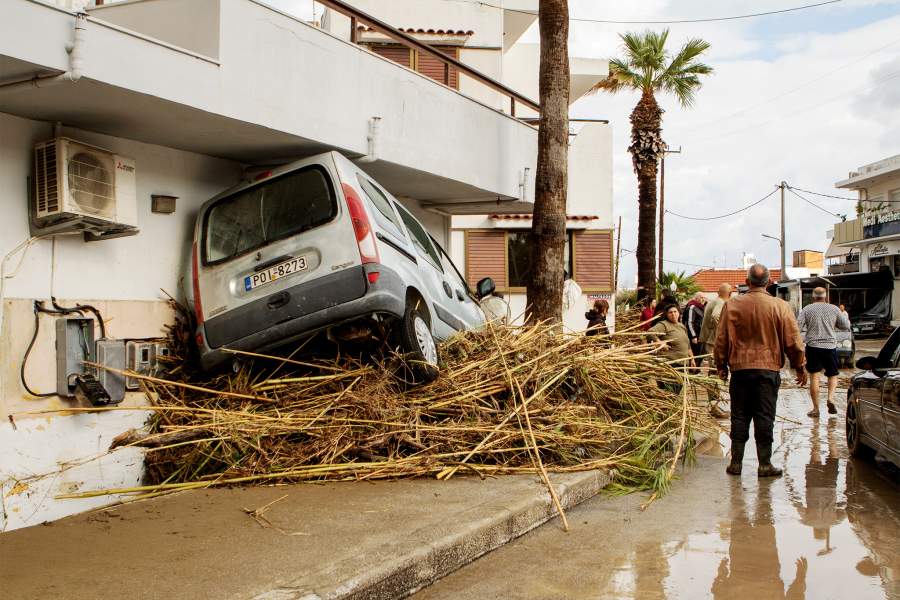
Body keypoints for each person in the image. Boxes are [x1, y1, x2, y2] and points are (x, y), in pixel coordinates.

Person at [715, 264, 806, 477]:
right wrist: (799, 366)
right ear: (768, 283)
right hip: (767, 371)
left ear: (747, 282)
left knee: (739, 416)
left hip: (740, 370)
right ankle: (764, 464)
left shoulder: (732, 305)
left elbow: (721, 339)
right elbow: (793, 341)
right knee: (765, 416)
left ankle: (735, 463)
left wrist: (721, 366)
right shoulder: (780, 306)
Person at [796, 287, 851, 418]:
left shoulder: (807, 309)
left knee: (814, 377)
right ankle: (831, 398)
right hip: (830, 346)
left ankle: (815, 409)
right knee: (832, 375)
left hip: (813, 346)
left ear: (813, 297)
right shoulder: (834, 309)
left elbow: (797, 327)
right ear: (825, 297)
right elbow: (845, 326)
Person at [699, 283, 732, 418]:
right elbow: (716, 316)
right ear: (729, 294)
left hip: (710, 341)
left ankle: (714, 406)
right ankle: (714, 407)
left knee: (713, 374)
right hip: (713, 343)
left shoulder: (713, 301)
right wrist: (723, 330)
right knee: (714, 374)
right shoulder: (721, 303)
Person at [649, 304, 693, 393]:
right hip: (670, 364)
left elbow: (687, 344)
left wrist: (691, 358)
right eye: (670, 312)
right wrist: (659, 342)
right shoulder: (664, 324)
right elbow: (650, 332)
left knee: (677, 390)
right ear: (667, 314)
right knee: (669, 390)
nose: (673, 314)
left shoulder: (681, 326)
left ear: (679, 313)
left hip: (682, 364)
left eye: (675, 311)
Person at [682, 292, 707, 362]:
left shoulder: (701, 307)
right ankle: (693, 371)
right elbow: (690, 323)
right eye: (701, 297)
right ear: (696, 298)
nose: (703, 299)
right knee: (695, 354)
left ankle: (696, 369)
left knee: (700, 354)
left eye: (704, 298)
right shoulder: (692, 307)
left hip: (701, 335)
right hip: (695, 335)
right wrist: (693, 336)